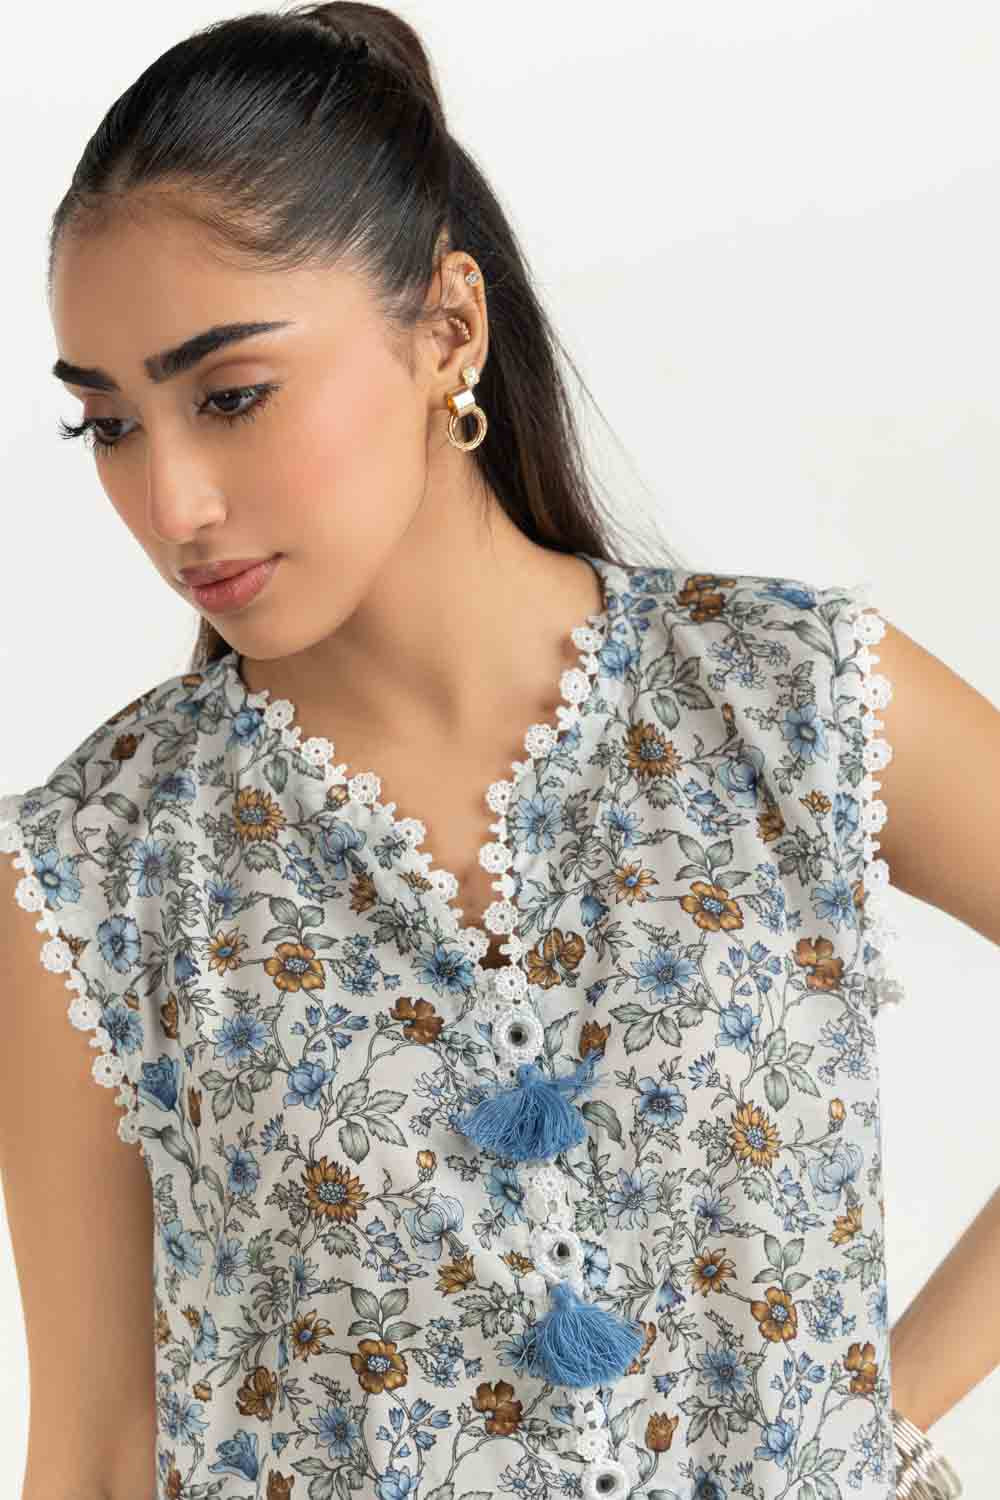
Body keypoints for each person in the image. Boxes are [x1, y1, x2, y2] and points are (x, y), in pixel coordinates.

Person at [0, 4, 992, 1498]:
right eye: (111, 427)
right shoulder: (95, 874)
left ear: (447, 329)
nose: (175, 502)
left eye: (231, 397)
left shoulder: (789, 702)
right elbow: (92, 1452)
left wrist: (864, 1413)